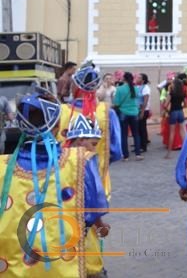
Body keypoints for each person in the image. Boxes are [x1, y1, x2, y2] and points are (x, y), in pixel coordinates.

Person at [0, 90, 108, 276]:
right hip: (65, 267)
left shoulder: (3, 167)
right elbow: (92, 212)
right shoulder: (81, 160)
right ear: (57, 126)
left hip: (15, 268)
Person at [57, 63, 122, 201]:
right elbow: (116, 152)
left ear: (75, 86)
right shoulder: (108, 113)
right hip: (97, 181)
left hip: (65, 183)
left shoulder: (60, 111)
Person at [65, 112, 112, 278]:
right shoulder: (85, 160)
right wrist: (100, 225)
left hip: (61, 232)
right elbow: (93, 201)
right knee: (92, 270)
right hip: (83, 232)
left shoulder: (59, 158)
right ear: (80, 140)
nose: (94, 149)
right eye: (93, 144)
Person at [113, 71, 143, 161]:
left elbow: (116, 103)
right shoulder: (135, 89)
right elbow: (138, 100)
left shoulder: (119, 89)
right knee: (136, 134)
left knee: (124, 134)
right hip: (134, 112)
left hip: (123, 112)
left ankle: (125, 156)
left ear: (123, 79)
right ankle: (138, 154)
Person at [165, 75, 186, 159]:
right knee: (183, 132)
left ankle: (169, 153)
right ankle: (186, 151)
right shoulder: (182, 94)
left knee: (172, 133)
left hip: (173, 111)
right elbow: (185, 104)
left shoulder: (171, 93)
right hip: (180, 111)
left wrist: (167, 111)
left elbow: (165, 105)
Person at [136, 73, 151, 153]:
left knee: (142, 128)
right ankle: (139, 145)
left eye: (139, 78)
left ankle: (143, 146)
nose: (137, 79)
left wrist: (142, 112)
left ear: (143, 80)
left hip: (143, 110)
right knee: (138, 129)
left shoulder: (146, 88)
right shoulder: (137, 87)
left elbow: (145, 100)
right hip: (137, 110)